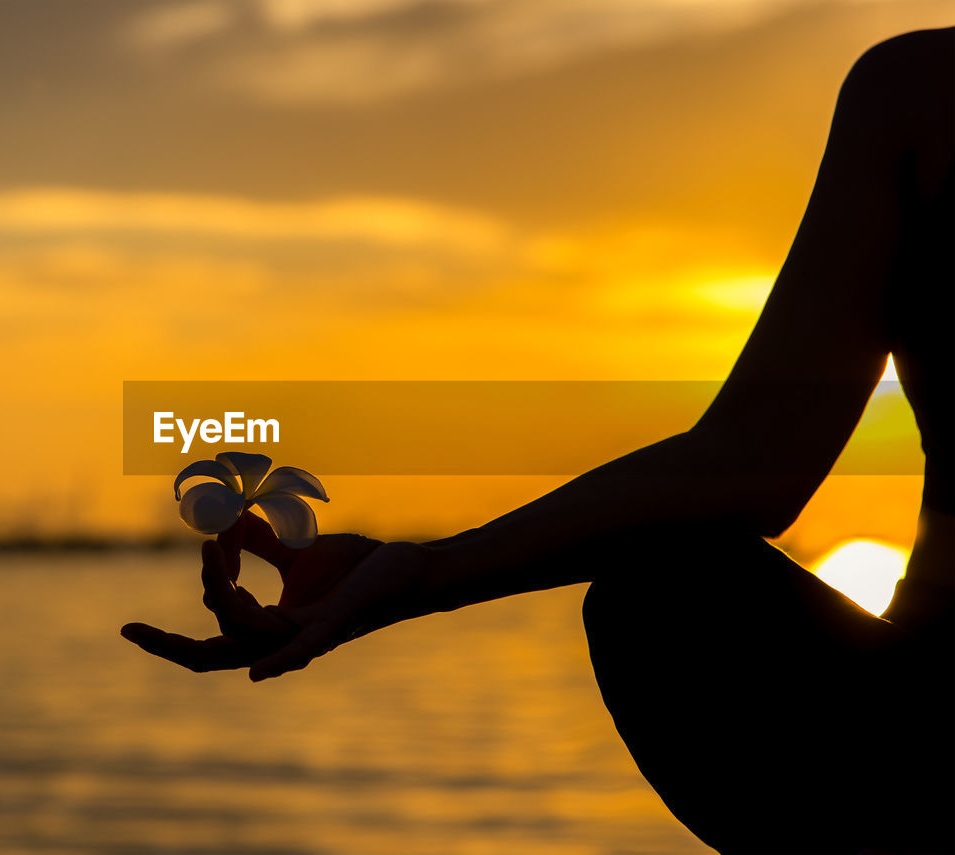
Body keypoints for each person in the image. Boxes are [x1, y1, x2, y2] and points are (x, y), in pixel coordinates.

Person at [122, 27, 954, 855]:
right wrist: (419, 570)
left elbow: (754, 463)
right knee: (661, 593)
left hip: (916, 761)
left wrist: (423, 572)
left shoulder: (916, 86)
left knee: (658, 597)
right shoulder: (917, 87)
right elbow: (752, 462)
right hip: (910, 741)